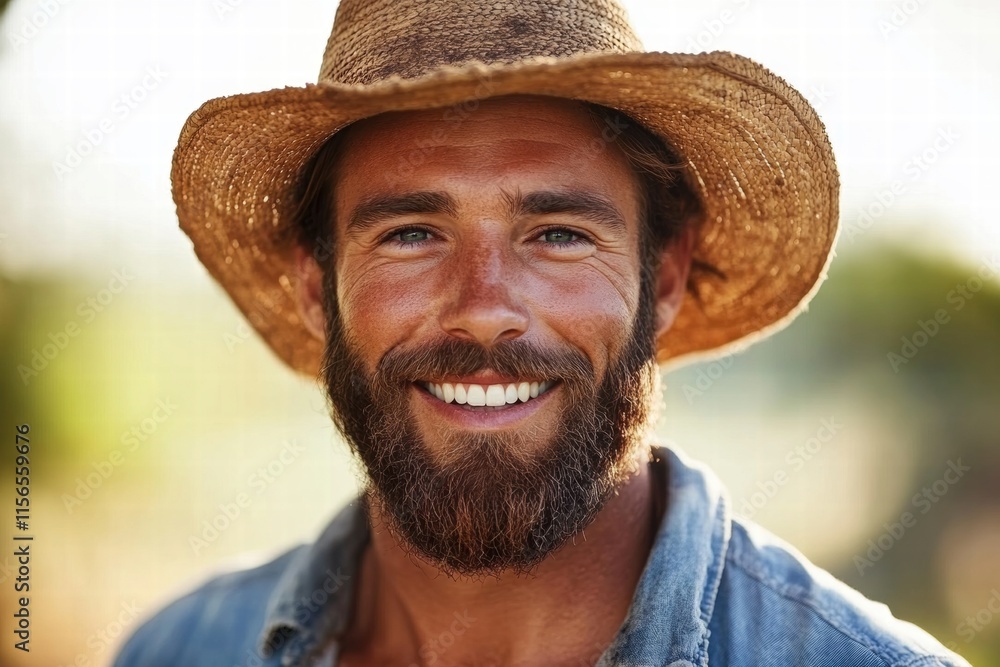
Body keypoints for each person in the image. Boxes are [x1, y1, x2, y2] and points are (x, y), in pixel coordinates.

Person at [115, 0, 970, 665]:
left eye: (559, 233)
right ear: (315, 287)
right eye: (411, 233)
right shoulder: (180, 648)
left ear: (661, 279)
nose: (484, 306)